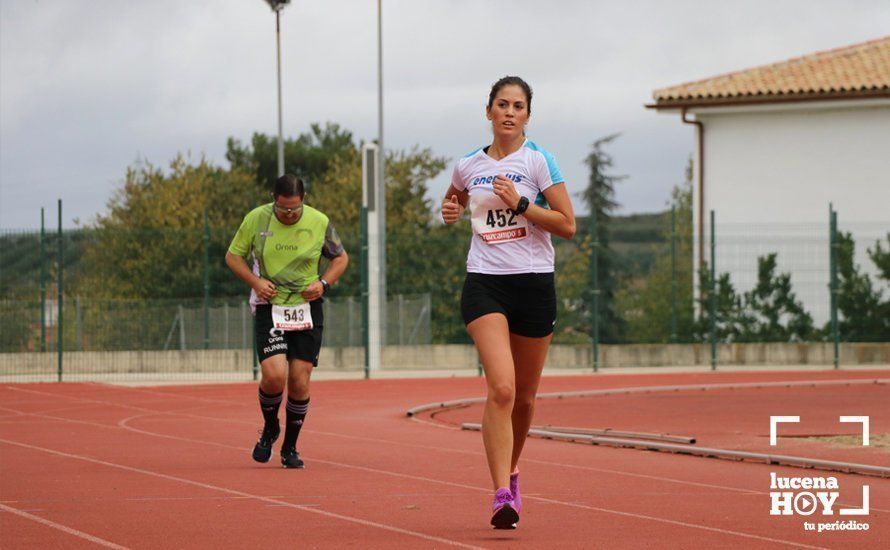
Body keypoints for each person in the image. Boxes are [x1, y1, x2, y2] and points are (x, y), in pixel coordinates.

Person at [441, 76, 576, 528]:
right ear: (489, 111)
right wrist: (450, 210)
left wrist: (521, 204)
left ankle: (513, 470)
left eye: (518, 106)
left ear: (527, 116)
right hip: (485, 283)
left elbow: (567, 224)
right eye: (502, 104)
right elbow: (454, 200)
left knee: (525, 398)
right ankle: (501, 493)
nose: (509, 112)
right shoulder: (467, 165)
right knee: (502, 387)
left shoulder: (539, 161)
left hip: (534, 284)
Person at [225, 174, 348, 469]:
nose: (289, 215)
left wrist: (324, 284)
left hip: (307, 305)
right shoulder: (257, 219)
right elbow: (233, 257)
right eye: (283, 209)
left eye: (294, 209)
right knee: (274, 374)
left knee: (299, 378)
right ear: (273, 199)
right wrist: (256, 282)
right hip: (271, 303)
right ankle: (270, 427)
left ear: (303, 201)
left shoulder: (319, 222)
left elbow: (341, 258)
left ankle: (290, 447)